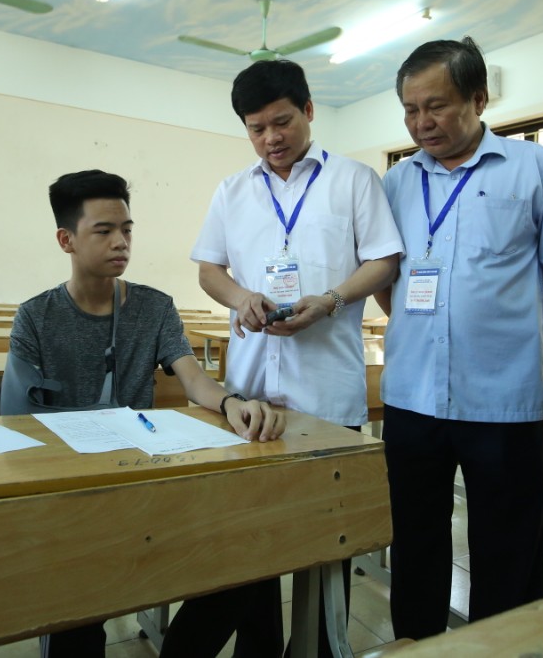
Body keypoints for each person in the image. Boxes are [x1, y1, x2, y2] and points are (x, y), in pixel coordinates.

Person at [166, 59, 402, 658]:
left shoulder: (352, 180)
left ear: (309, 111)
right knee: (250, 545)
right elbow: (209, 269)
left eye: (282, 121)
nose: (271, 138)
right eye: (256, 128)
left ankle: (321, 649)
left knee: (326, 545)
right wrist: (242, 296)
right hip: (249, 401)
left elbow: (383, 261)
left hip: (327, 393)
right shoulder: (233, 190)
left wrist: (328, 301)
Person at [5, 169, 285, 658]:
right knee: (77, 618)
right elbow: (20, 422)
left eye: (127, 230)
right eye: (104, 230)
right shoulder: (36, 317)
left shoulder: (154, 308)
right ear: (65, 239)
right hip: (72, 498)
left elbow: (193, 377)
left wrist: (231, 403)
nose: (121, 242)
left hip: (145, 482)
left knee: (245, 565)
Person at [372, 38, 543, 636]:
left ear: (478, 97)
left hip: (504, 399)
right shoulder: (396, 183)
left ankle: (502, 647)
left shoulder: (532, 167)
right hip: (412, 397)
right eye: (410, 110)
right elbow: (387, 280)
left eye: (435, 106)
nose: (421, 123)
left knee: (506, 544)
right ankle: (416, 644)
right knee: (415, 537)